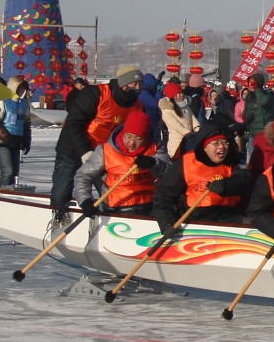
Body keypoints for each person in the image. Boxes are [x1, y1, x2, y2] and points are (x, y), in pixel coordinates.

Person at [51, 64, 146, 223]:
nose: (138, 88)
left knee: (110, 191)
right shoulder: (96, 94)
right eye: (134, 84)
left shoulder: (136, 106)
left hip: (103, 154)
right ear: (123, 84)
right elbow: (74, 123)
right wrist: (84, 151)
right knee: (62, 189)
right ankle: (57, 217)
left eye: (140, 84)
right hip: (73, 149)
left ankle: (113, 221)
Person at [152, 124, 253, 231]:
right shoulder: (185, 163)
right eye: (216, 143)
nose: (222, 147)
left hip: (228, 217)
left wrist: (226, 185)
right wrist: (167, 222)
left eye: (224, 142)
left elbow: (245, 181)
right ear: (204, 147)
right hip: (194, 219)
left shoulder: (231, 161)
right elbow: (163, 194)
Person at [73, 111, 167, 215]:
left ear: (146, 138)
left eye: (138, 139)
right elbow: (83, 176)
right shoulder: (105, 151)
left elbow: (170, 173)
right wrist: (85, 200)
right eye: (129, 136)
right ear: (123, 132)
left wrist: (153, 163)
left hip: (151, 207)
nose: (131, 143)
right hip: (117, 210)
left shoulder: (155, 147)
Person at [0, 76, 32, 189]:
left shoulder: (24, 104)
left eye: (23, 88)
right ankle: (3, 193)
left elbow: (26, 123)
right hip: (1, 141)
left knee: (15, 172)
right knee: (8, 170)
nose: (21, 90)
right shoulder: (1, 101)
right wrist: (8, 138)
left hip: (16, 141)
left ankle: (11, 191)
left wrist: (27, 140)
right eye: (19, 88)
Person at [159, 81, 199, 159]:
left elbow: (194, 119)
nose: (182, 95)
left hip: (190, 141)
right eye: (179, 93)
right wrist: (191, 134)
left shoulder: (185, 106)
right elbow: (178, 128)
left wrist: (198, 130)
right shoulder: (167, 111)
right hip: (177, 145)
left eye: (181, 92)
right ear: (173, 96)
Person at [241, 73, 274, 140]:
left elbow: (263, 102)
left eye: (253, 83)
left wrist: (257, 89)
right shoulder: (249, 96)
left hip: (264, 132)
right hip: (252, 133)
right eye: (250, 82)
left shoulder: (268, 94)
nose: (251, 84)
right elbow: (247, 113)